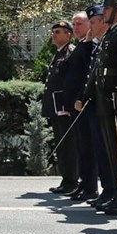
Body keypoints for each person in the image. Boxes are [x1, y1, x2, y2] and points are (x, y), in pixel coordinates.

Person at [82, 0, 117, 214]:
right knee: (105, 149)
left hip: (114, 100)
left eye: (107, 10)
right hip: (102, 101)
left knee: (116, 151)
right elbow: (95, 73)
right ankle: (112, 192)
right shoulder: (107, 38)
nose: (90, 26)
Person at [63, 9, 105, 201]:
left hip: (87, 103)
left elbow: (87, 75)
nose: (75, 27)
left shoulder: (90, 46)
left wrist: (81, 97)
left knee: (90, 148)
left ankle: (91, 187)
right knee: (82, 147)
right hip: (77, 104)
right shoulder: (83, 45)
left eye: (80, 23)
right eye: (74, 24)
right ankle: (85, 183)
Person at [42, 19, 79, 195]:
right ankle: (67, 179)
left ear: (68, 35)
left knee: (68, 145)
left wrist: (66, 104)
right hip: (57, 107)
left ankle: (72, 180)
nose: (53, 35)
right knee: (62, 144)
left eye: (58, 32)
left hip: (64, 107)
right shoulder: (59, 52)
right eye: (53, 31)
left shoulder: (70, 52)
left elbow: (69, 82)